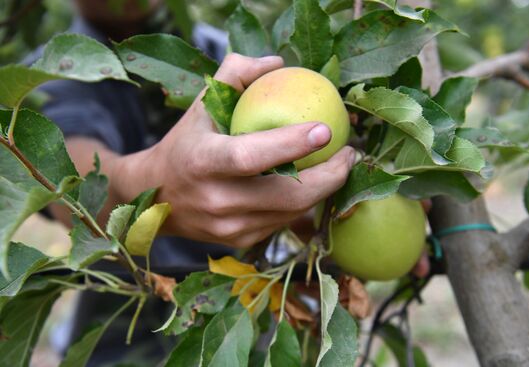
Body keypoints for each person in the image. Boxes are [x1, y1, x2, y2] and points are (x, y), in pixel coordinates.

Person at [32, 1, 428, 364]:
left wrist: (343, 203)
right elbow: (65, 176)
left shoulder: (240, 64)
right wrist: (149, 189)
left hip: (254, 332)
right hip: (121, 350)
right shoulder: (51, 75)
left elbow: (292, 186)